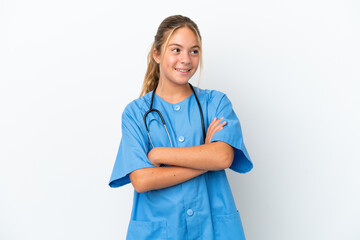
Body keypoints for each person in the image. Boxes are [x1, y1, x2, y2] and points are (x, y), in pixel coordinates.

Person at [109, 15, 253, 240]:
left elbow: (223, 157)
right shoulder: (135, 113)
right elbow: (142, 180)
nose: (186, 59)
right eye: (176, 50)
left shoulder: (215, 103)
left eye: (194, 51)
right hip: (160, 232)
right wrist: (205, 158)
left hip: (214, 230)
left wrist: (160, 154)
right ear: (157, 54)